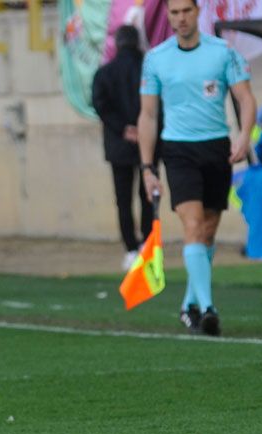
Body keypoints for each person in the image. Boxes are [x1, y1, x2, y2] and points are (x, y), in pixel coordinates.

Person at [138, 0, 255, 336]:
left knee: (207, 232)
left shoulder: (223, 52)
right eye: (173, 13)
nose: (180, 18)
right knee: (191, 225)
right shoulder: (156, 59)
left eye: (186, 11)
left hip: (217, 147)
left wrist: (244, 136)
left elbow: (245, 97)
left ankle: (189, 305)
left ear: (197, 12)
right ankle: (208, 308)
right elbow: (147, 115)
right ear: (169, 17)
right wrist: (148, 167)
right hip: (177, 151)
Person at [92, 25, 157, 270]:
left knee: (123, 199)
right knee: (148, 195)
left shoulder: (105, 73)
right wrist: (142, 128)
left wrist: (123, 128)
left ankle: (131, 247)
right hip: (148, 142)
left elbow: (100, 104)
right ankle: (147, 247)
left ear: (117, 44)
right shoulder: (148, 70)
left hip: (118, 144)